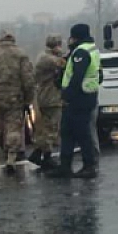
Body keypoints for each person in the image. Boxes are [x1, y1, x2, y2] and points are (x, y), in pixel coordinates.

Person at [48, 23, 103, 180]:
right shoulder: (92, 49)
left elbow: (77, 76)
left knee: (81, 133)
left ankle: (88, 165)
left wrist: (67, 96)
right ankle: (65, 166)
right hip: (87, 95)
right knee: (68, 132)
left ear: (75, 36)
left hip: (79, 98)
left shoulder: (81, 52)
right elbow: (99, 75)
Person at [0, 32, 35, 173]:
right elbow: (28, 79)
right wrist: (28, 97)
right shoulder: (20, 54)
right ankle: (11, 157)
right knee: (13, 127)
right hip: (14, 96)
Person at [29, 35, 66, 171]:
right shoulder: (47, 58)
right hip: (50, 97)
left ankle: (39, 153)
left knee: (44, 129)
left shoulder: (43, 56)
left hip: (46, 96)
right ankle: (46, 156)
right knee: (52, 127)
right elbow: (63, 63)